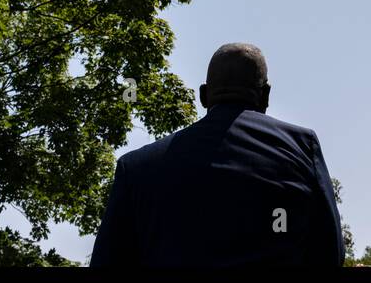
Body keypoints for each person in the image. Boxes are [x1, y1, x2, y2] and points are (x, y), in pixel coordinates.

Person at [90, 43, 344, 266]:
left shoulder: (135, 168)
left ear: (203, 95)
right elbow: (330, 252)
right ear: (265, 95)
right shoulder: (301, 147)